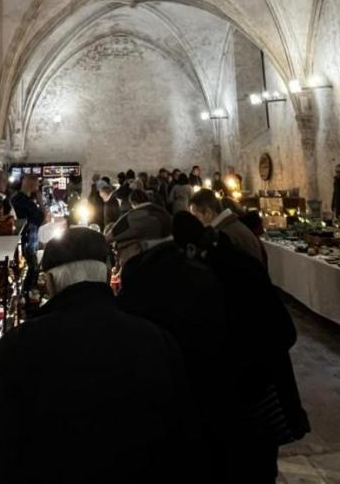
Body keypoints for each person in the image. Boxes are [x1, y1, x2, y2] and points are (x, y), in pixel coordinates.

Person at [0, 227, 196, 483]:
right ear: (107, 275)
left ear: (48, 283)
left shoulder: (18, 348)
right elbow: (182, 439)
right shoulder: (155, 340)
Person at [172, 212, 309, 481]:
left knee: (250, 464)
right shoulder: (233, 262)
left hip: (252, 392)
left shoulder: (218, 274)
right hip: (254, 387)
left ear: (190, 248)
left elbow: (280, 331)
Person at [111, 204, 231, 480]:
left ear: (140, 248)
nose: (118, 260)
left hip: (182, 417)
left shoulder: (146, 287)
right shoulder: (193, 271)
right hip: (209, 412)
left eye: (122, 250)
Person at [189, 188, 265, 266]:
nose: (194, 221)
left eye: (196, 216)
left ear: (208, 213)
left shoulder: (225, 234)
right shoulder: (231, 225)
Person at [10, 174, 46, 294]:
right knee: (29, 276)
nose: (38, 186)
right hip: (26, 247)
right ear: (31, 184)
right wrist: (41, 201)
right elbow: (41, 218)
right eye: (37, 183)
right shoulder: (23, 201)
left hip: (25, 245)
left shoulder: (17, 199)